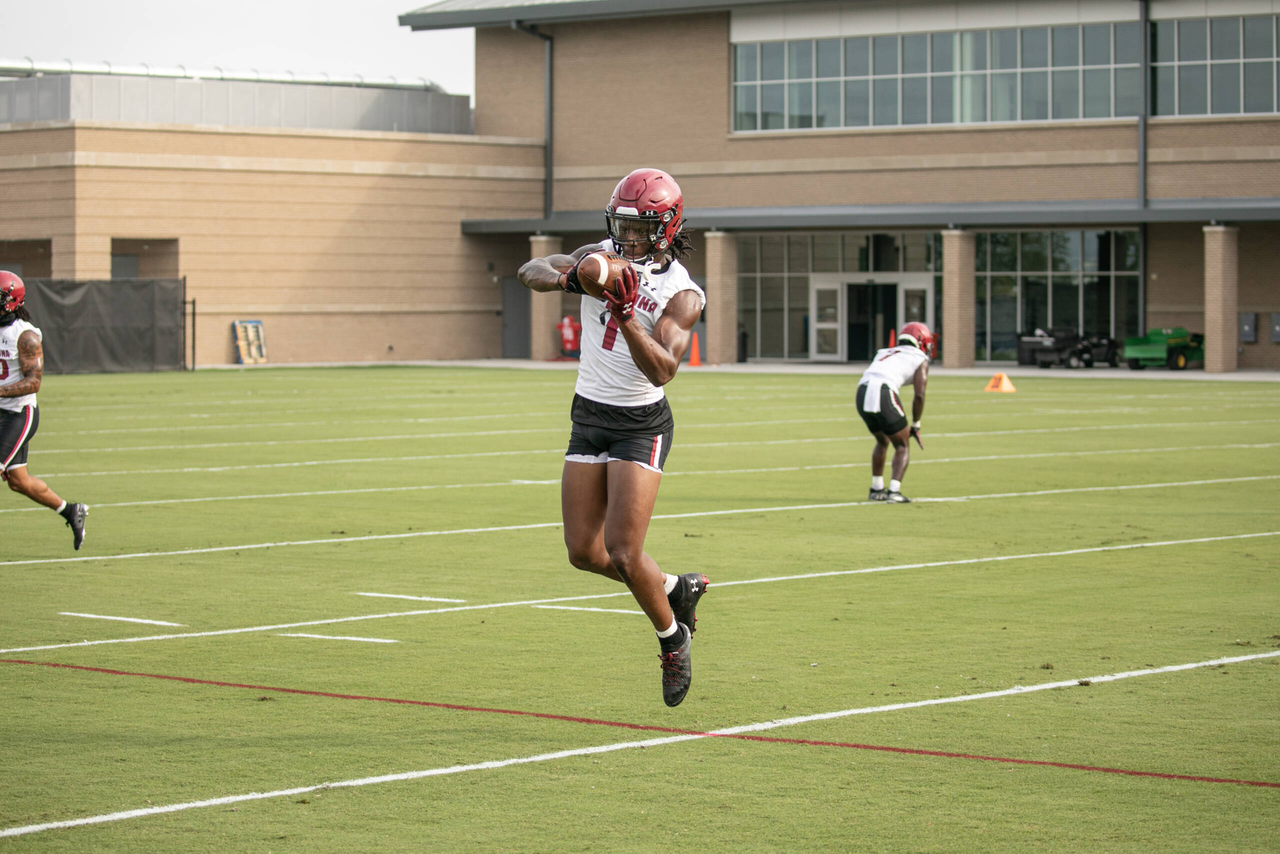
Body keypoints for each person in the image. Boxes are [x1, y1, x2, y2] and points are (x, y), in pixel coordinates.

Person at [518, 168, 707, 707]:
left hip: (640, 423)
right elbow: (531, 268)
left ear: (667, 229)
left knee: (625, 551)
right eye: (621, 225)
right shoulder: (600, 253)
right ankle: (675, 586)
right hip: (588, 413)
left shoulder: (682, 293)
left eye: (641, 228)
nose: (627, 238)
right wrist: (567, 278)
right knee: (583, 551)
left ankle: (673, 637)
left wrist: (626, 316)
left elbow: (663, 369)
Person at [0, 271, 88, 549]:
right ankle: (71, 511)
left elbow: (33, 382)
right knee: (18, 481)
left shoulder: (25, 335)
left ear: (12, 301)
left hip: (18, 414)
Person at [855, 321, 935, 504]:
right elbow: (919, 396)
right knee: (903, 444)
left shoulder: (884, 351)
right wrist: (916, 424)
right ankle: (894, 492)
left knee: (882, 440)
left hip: (862, 390)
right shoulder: (919, 358)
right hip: (883, 391)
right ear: (921, 340)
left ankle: (876, 489)